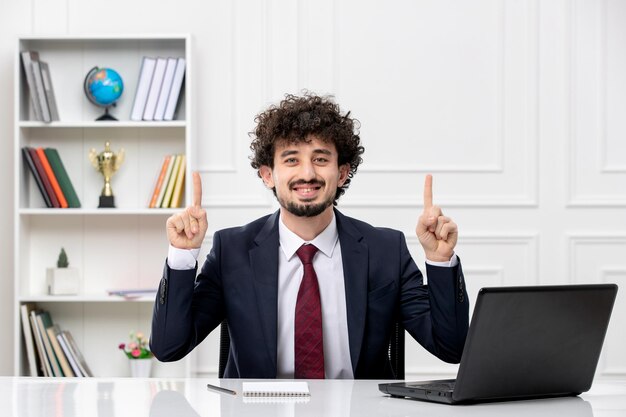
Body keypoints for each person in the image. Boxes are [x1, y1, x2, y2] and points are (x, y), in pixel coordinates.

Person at [150, 93, 469, 379]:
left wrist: (439, 261)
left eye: (320, 158)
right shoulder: (232, 251)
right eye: (291, 159)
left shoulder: (386, 250)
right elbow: (168, 348)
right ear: (268, 175)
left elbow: (451, 348)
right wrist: (181, 256)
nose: (307, 173)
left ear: (342, 173)